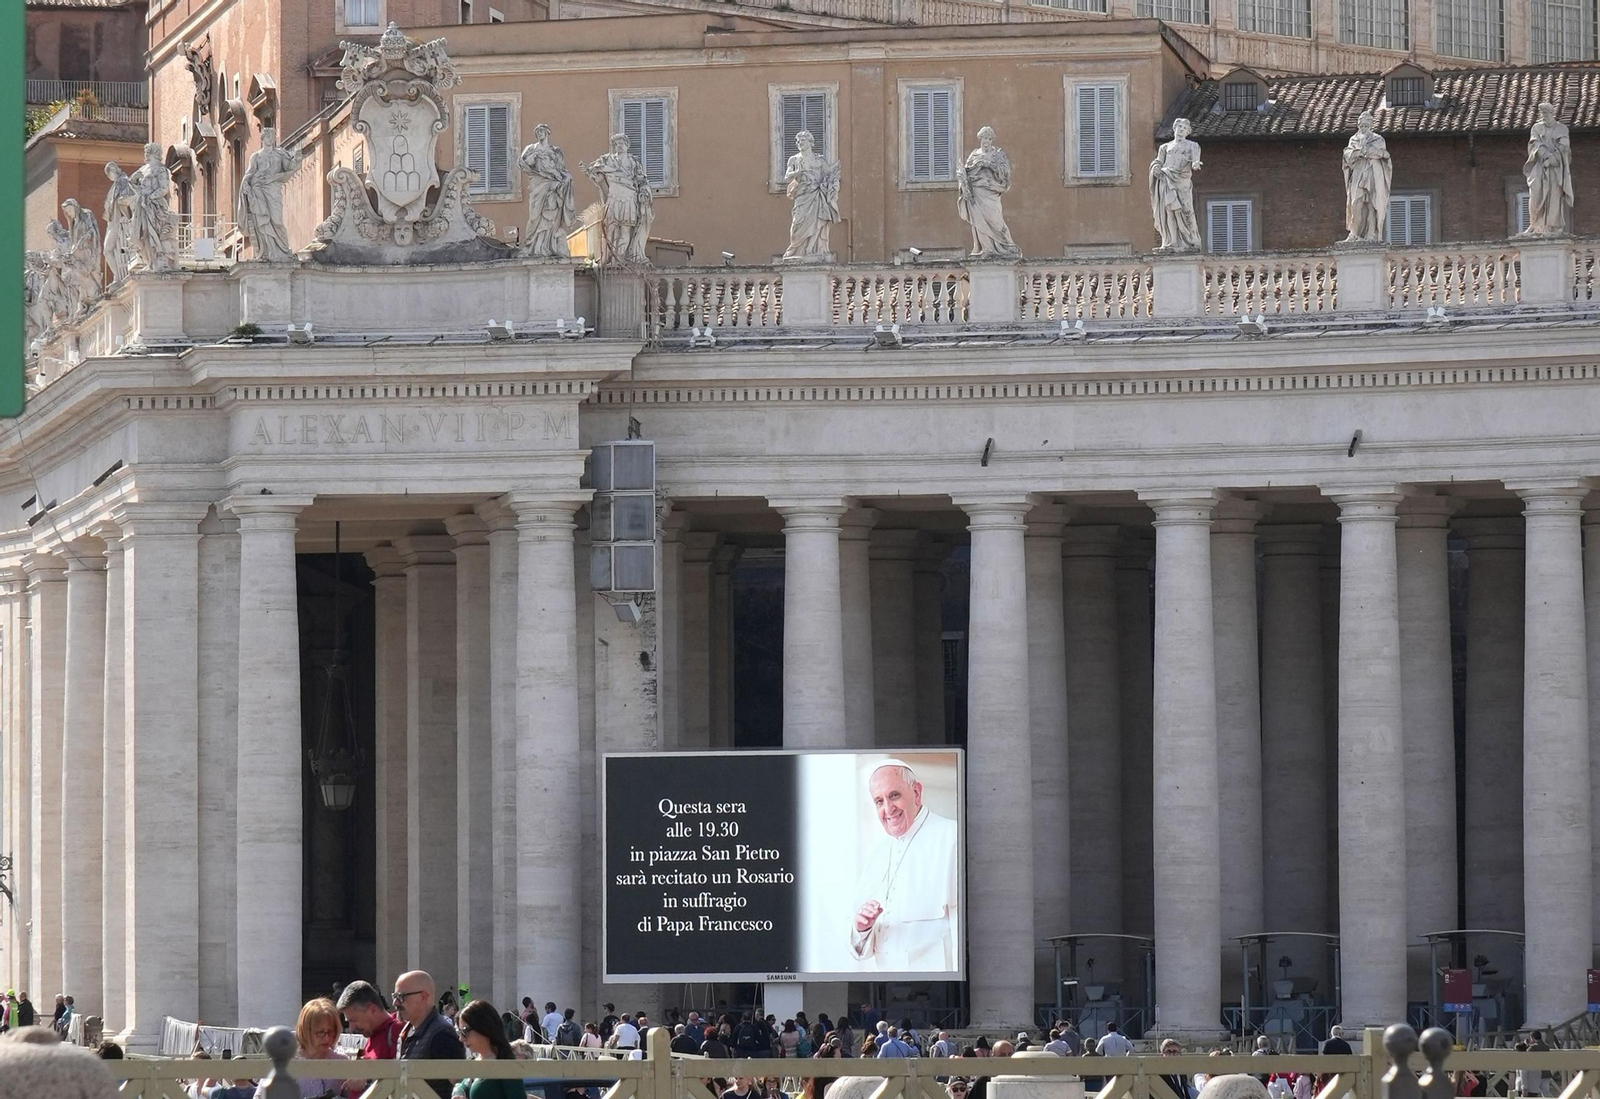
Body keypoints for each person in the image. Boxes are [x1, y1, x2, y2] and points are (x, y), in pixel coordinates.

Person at [849, 760, 960, 971]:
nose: (888, 809)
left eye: (894, 796)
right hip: (886, 984)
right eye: (879, 801)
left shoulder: (952, 837)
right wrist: (862, 928)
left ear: (916, 793)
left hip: (938, 985)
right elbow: (860, 946)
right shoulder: (877, 854)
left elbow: (961, 928)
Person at [254, 998, 350, 1099]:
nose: (327, 1038)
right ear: (306, 1031)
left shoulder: (341, 1061)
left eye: (331, 1031)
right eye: (321, 1032)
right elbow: (260, 1096)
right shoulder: (285, 1060)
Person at [235, 126, 304, 263]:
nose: (270, 139)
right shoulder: (256, 156)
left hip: (273, 188)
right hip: (258, 189)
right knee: (262, 218)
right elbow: (249, 173)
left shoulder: (280, 154)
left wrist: (296, 159)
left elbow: (289, 167)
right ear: (262, 139)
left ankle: (282, 250)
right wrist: (245, 185)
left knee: (276, 219)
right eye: (267, 137)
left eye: (272, 137)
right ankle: (266, 251)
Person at [583, 134, 654, 266]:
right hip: (614, 197)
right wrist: (589, 172)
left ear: (627, 145)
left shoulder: (634, 162)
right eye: (616, 144)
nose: (619, 146)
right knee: (610, 228)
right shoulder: (607, 160)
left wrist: (644, 191)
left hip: (629, 197)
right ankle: (609, 258)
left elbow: (642, 180)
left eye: (621, 143)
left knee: (625, 230)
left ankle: (619, 260)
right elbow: (595, 172)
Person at [394, 970, 466, 1099]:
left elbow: (457, 1083)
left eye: (401, 996)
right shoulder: (407, 1030)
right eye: (394, 996)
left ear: (423, 996)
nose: (396, 1003)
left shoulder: (442, 1034)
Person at [957, 126, 1020, 258]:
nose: (986, 141)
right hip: (976, 192)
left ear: (992, 140)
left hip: (991, 191)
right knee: (978, 220)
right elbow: (966, 174)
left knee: (996, 220)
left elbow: (1006, 172)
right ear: (980, 139)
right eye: (984, 138)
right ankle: (985, 248)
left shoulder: (998, 154)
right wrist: (964, 185)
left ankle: (1006, 245)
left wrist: (989, 165)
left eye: (989, 138)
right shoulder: (974, 155)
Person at [518, 123, 577, 258]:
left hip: (553, 186)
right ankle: (530, 245)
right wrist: (535, 156)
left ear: (548, 133)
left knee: (551, 215)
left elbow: (562, 170)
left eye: (542, 131)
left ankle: (549, 246)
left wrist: (565, 179)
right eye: (538, 132)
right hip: (538, 184)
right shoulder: (531, 148)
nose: (540, 133)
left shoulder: (555, 151)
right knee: (534, 216)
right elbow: (522, 163)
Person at [781, 130, 841, 261]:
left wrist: (832, 185)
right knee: (797, 224)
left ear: (810, 142)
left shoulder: (820, 161)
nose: (800, 143)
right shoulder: (794, 160)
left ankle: (811, 249)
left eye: (803, 140)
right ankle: (795, 248)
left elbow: (829, 177)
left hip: (817, 195)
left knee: (818, 222)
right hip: (802, 196)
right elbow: (786, 177)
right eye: (798, 141)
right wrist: (797, 172)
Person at [452, 999, 524, 1099]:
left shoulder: (506, 1064)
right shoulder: (476, 1061)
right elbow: (462, 1085)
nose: (461, 1038)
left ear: (484, 1027)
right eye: (459, 1032)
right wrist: (459, 1093)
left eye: (464, 1031)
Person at [1341, 110, 1392, 244]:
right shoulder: (1354, 139)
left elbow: (1383, 154)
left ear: (1371, 125)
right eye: (1362, 125)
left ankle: (1371, 233)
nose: (1364, 127)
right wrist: (1357, 153)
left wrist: (1370, 152)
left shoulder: (1378, 139)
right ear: (1358, 125)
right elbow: (1348, 156)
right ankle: (1355, 232)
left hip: (1373, 172)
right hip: (1358, 172)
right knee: (1356, 203)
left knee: (1372, 203)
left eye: (1366, 124)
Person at [1523, 103, 1573, 237]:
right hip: (1541, 165)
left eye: (1546, 113)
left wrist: (1553, 158)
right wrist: (1545, 155)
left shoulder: (1562, 129)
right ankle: (1535, 224)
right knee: (1535, 190)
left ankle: (1552, 225)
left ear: (1551, 113)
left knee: (1555, 194)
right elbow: (1535, 144)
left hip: (1556, 166)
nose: (1543, 116)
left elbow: (1564, 146)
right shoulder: (1536, 128)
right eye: (1542, 113)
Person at [337, 980, 405, 1060]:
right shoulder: (372, 1033)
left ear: (373, 1010)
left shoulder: (397, 1032)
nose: (352, 1027)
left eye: (354, 1020)